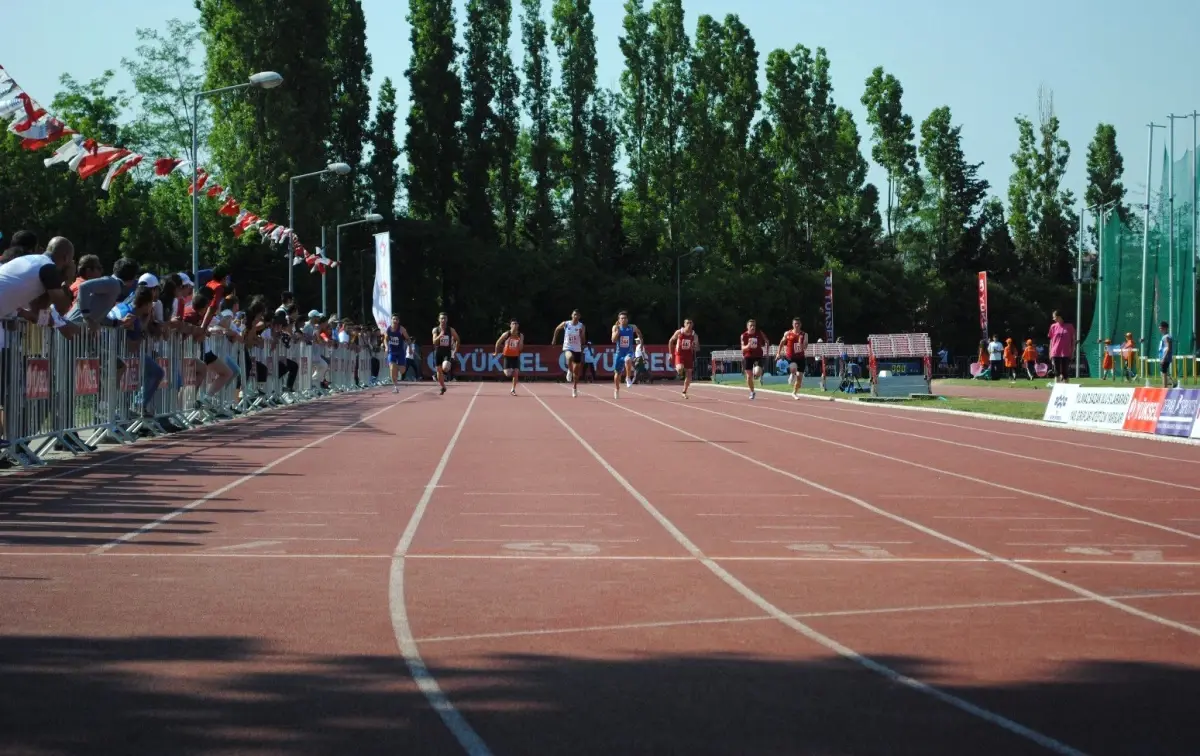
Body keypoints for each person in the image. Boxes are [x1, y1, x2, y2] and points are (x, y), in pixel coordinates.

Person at [551, 309, 586, 398]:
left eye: (577, 315)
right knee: (569, 357)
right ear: (571, 315)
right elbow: (557, 329)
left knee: (576, 372)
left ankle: (574, 388)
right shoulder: (566, 324)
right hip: (568, 347)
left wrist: (583, 342)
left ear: (579, 317)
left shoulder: (581, 326)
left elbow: (583, 338)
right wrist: (554, 339)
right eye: (574, 315)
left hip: (577, 348)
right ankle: (569, 370)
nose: (576, 317)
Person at [611, 311, 644, 398]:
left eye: (625, 318)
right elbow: (613, 340)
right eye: (621, 318)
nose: (623, 320)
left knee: (628, 360)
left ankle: (628, 378)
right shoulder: (616, 327)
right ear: (619, 320)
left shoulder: (632, 327)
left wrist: (641, 343)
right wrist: (617, 332)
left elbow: (639, 333)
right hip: (619, 353)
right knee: (617, 374)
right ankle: (616, 389)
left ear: (627, 319)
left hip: (629, 352)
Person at [778, 317, 809, 400]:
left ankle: (794, 393)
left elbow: (805, 347)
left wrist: (801, 343)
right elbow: (781, 342)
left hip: (801, 357)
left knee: (800, 378)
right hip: (791, 357)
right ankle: (792, 373)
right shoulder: (788, 333)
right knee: (793, 368)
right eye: (795, 324)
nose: (797, 325)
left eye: (798, 324)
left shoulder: (804, 334)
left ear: (800, 325)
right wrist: (778, 353)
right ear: (793, 325)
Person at [668, 318, 699, 398]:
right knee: (680, 368)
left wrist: (695, 346)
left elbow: (697, 346)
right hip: (679, 354)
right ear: (684, 324)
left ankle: (684, 392)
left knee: (689, 374)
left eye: (691, 323)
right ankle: (679, 372)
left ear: (692, 325)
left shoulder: (694, 335)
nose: (689, 325)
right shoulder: (679, 332)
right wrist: (670, 354)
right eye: (687, 323)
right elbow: (671, 341)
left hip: (688, 355)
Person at [493, 319, 524, 395]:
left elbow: (520, 347)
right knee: (508, 374)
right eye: (513, 324)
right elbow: (498, 343)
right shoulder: (506, 334)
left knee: (516, 372)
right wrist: (496, 353)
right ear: (510, 325)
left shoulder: (521, 335)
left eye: (516, 324)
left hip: (515, 356)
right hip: (507, 356)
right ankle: (508, 369)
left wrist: (519, 347)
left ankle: (513, 389)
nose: (514, 325)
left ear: (518, 326)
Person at [432, 312, 459, 396]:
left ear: (447, 320)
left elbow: (458, 339)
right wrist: (440, 335)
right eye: (441, 318)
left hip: (446, 352)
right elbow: (434, 341)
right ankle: (443, 386)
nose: (443, 320)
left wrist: (455, 351)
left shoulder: (451, 330)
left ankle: (444, 374)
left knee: (445, 367)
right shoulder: (436, 330)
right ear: (439, 320)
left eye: (445, 318)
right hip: (438, 352)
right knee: (439, 371)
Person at [741, 319, 767, 400]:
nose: (752, 327)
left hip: (758, 355)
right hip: (748, 356)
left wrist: (767, 352)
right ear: (747, 327)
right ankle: (752, 392)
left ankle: (759, 374)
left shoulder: (759, 333)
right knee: (749, 377)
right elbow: (742, 348)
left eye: (754, 326)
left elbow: (767, 341)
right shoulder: (744, 335)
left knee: (758, 372)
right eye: (751, 326)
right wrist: (748, 346)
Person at [1048, 310, 1075, 383]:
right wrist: (1050, 352)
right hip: (1055, 352)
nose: (1053, 319)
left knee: (1065, 372)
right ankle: (1057, 389)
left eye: (1054, 317)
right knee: (1056, 372)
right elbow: (1051, 340)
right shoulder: (1053, 326)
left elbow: (1073, 340)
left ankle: (1066, 389)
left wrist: (1072, 352)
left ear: (1059, 317)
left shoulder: (1069, 326)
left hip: (1066, 352)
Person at [385, 315, 408, 392]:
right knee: (391, 369)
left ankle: (397, 367)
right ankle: (395, 386)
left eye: (396, 319)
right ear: (391, 320)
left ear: (398, 321)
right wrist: (386, 347)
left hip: (400, 352)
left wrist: (410, 348)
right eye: (393, 319)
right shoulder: (388, 329)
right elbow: (385, 339)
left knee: (402, 371)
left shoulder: (401, 329)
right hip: (392, 352)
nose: (395, 320)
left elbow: (408, 339)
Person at [1159, 321, 1176, 388]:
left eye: (1161, 328)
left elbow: (1168, 348)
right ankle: (1171, 383)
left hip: (1165, 357)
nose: (1160, 329)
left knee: (1164, 372)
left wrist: (1163, 358)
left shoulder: (1166, 337)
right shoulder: (1164, 336)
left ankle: (1164, 387)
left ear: (1165, 328)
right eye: (1160, 328)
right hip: (1163, 356)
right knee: (1163, 371)